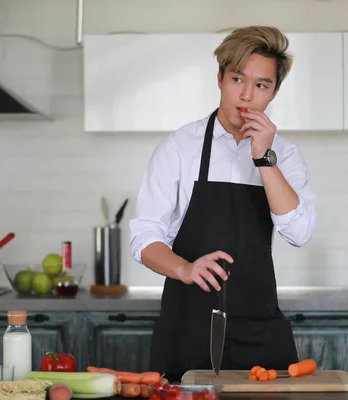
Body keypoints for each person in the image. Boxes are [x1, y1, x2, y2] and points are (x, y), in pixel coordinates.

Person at [129, 25, 317, 381]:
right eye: (237, 79)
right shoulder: (179, 147)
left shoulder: (285, 155)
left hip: (259, 330)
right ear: (220, 79)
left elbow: (300, 231)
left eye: (261, 85)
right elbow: (144, 238)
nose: (246, 96)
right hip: (187, 328)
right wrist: (184, 268)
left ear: (274, 92)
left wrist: (264, 159)